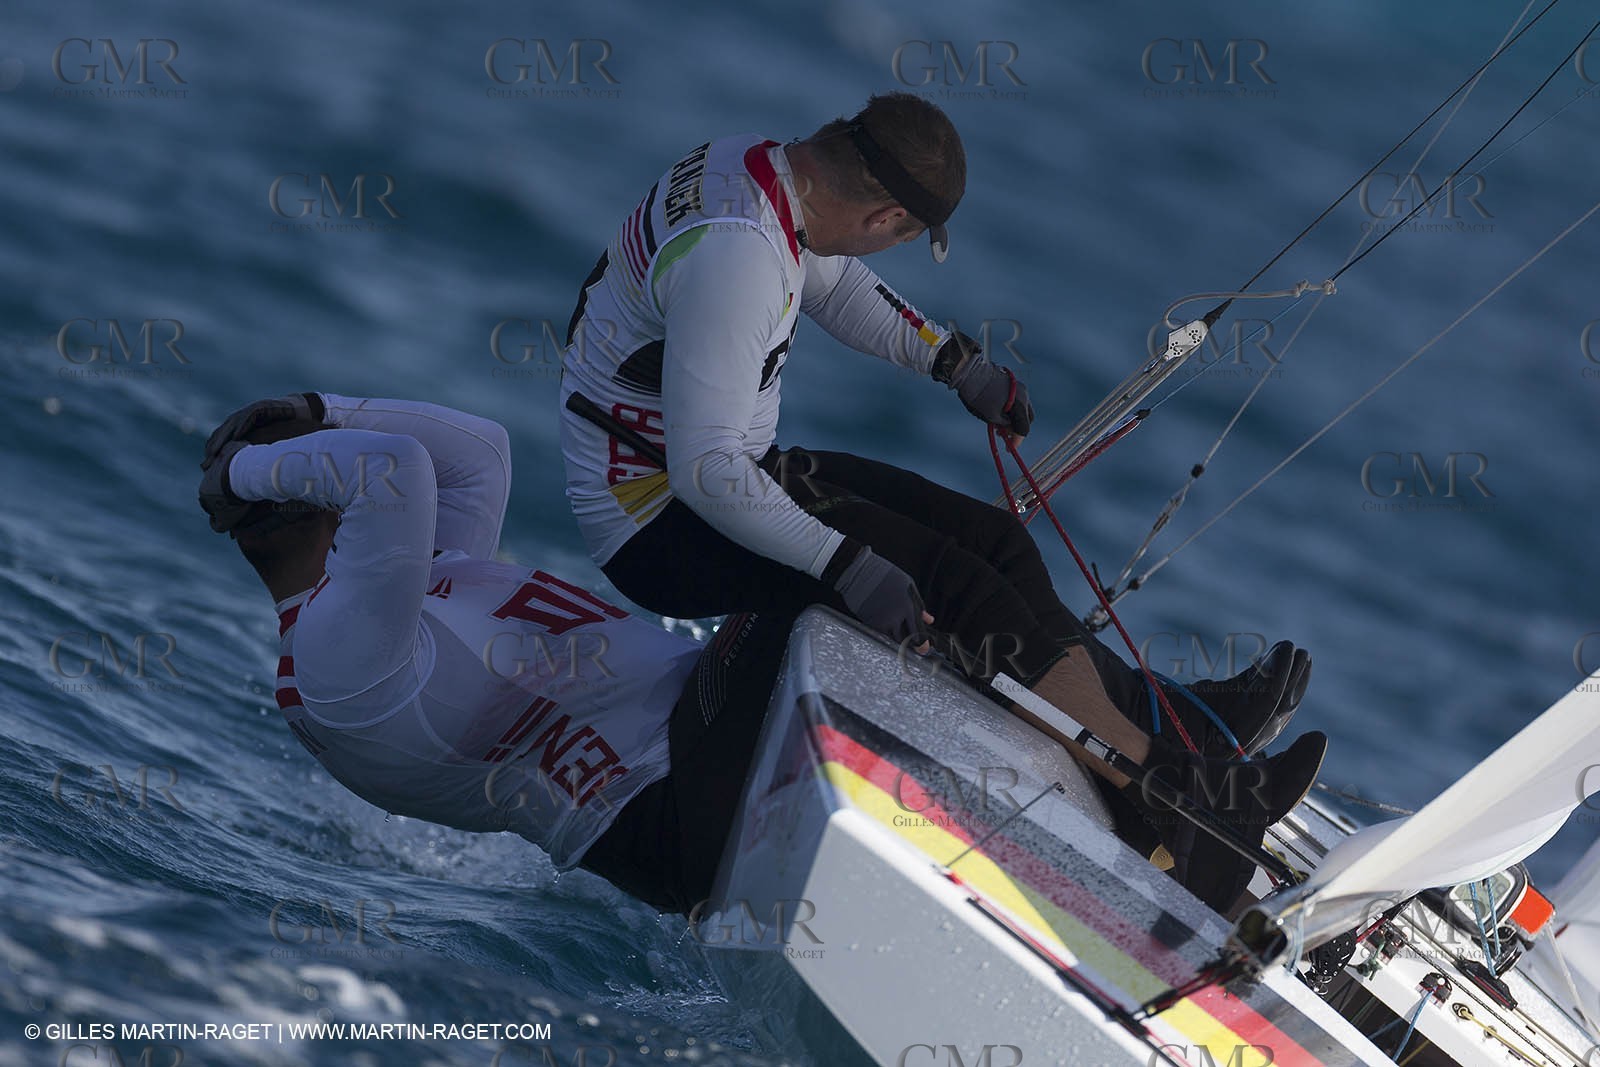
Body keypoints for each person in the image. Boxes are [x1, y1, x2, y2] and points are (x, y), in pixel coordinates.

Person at [197, 393, 1325, 915]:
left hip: (714, 731)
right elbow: (394, 462)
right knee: (825, 565)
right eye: (319, 456)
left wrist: (307, 405)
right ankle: (1175, 806)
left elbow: (471, 448)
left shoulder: (411, 576)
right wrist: (247, 471)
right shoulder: (341, 646)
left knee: (907, 527)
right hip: (674, 820)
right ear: (308, 494)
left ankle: (1168, 734)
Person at [558, 91, 1311, 767]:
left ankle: (1180, 724)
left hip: (726, 475)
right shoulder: (738, 256)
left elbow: (837, 284)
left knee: (993, 543)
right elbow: (705, 471)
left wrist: (952, 361)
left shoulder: (761, 173)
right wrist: (845, 563)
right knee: (956, 592)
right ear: (887, 217)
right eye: (905, 236)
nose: (894, 246)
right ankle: (1168, 791)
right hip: (659, 523)